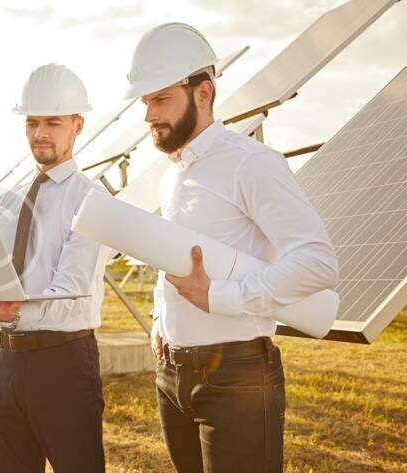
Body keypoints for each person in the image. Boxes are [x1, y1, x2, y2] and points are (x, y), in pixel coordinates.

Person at [123, 23, 340, 472]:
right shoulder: (172, 175)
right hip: (172, 374)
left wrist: (220, 297)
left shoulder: (252, 163)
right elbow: (180, 260)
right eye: (146, 102)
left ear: (203, 93)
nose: (148, 116)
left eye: (160, 99)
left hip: (236, 376)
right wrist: (161, 321)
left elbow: (317, 263)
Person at [0, 63, 111, 473]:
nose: (40, 133)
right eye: (32, 123)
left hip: (62, 362)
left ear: (77, 125)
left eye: (52, 123)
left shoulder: (93, 201)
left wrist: (6, 309)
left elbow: (69, 291)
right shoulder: (8, 201)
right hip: (4, 361)